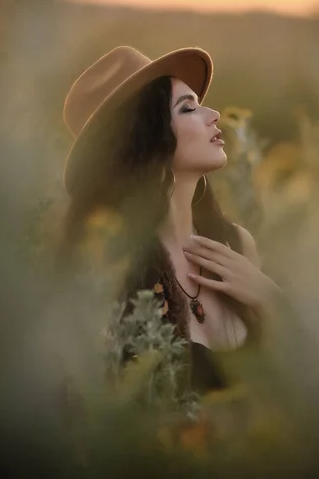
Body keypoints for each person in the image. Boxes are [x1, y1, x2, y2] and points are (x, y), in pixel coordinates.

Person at [62, 45, 279, 392]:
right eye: (188, 108)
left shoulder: (237, 245)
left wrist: (271, 299)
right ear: (146, 140)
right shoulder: (111, 273)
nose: (214, 114)